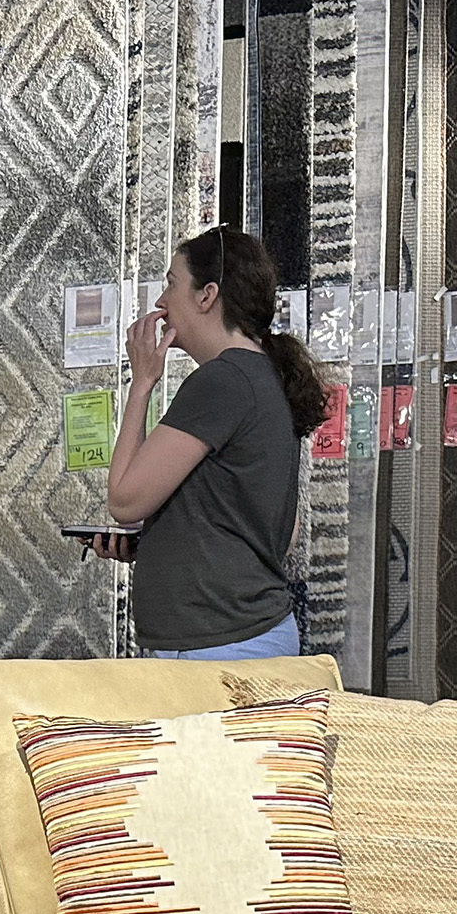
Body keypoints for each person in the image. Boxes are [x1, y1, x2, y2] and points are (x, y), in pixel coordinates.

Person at [81, 226, 327, 660]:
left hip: (219, 647)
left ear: (207, 295)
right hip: (237, 639)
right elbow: (270, 535)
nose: (160, 302)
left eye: (172, 284)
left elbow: (123, 500)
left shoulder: (222, 380)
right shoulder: (261, 375)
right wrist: (156, 543)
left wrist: (142, 383)